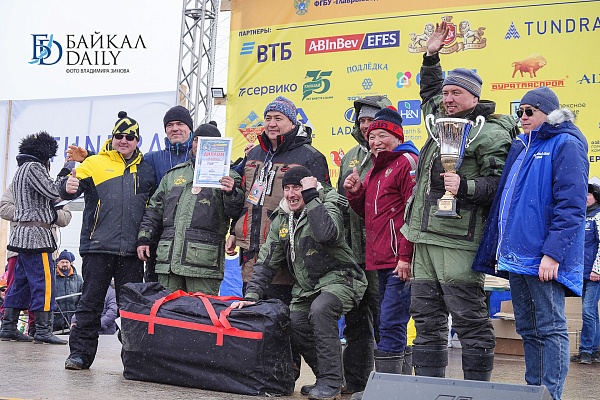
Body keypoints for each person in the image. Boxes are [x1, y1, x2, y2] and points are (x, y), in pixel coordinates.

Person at [400, 21, 517, 380]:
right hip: (424, 238)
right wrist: (431, 56)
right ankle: (428, 387)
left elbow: (500, 186)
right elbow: (429, 92)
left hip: (460, 242)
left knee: (469, 319)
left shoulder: (490, 133)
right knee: (426, 319)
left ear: (474, 98)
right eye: (447, 93)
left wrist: (465, 186)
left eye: (456, 93)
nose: (448, 99)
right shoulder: (440, 122)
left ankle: (477, 389)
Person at [472, 86, 588, 400]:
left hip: (542, 257)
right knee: (528, 328)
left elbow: (571, 206)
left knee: (550, 328)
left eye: (529, 111)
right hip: (516, 256)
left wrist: (552, 254)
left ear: (549, 114)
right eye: (519, 112)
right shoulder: (521, 145)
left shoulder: (566, 143)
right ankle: (534, 392)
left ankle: (550, 394)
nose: (522, 117)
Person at [231, 166, 366, 400]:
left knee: (321, 310)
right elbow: (266, 262)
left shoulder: (327, 202)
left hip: (342, 279)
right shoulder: (282, 217)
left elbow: (327, 234)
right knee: (294, 321)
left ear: (309, 187)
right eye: (287, 188)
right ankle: (329, 378)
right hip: (307, 288)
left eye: (297, 188)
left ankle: (331, 384)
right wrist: (251, 296)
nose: (291, 194)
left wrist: (312, 197)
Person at [59, 111, 156, 370]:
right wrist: (66, 186)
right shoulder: (94, 163)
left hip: (132, 252)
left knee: (132, 309)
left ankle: (134, 360)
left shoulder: (147, 170)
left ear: (137, 141)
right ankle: (80, 355)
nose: (123, 140)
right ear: (112, 138)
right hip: (97, 247)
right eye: (119, 136)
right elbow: (69, 187)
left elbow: (154, 208)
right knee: (90, 303)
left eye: (129, 137)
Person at [67, 105, 195, 282]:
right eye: (170, 125)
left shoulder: (201, 159)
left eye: (180, 124)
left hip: (193, 239)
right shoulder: (151, 159)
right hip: (159, 240)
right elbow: (120, 164)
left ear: (190, 128)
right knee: (156, 294)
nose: (175, 128)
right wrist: (91, 157)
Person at [228, 96, 332, 304]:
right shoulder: (254, 153)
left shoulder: (310, 156)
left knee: (282, 314)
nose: (272, 124)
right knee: (252, 311)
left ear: (292, 123)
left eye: (278, 118)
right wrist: (233, 231)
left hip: (287, 252)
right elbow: (247, 199)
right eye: (268, 118)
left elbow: (321, 203)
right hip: (251, 251)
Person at [345, 107, 418, 399]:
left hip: (400, 259)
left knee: (390, 321)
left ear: (398, 136)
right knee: (390, 321)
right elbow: (369, 214)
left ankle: (388, 391)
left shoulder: (406, 162)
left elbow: (414, 213)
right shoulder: (378, 167)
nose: (376, 141)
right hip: (383, 259)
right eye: (372, 136)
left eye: (382, 135)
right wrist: (355, 192)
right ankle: (396, 389)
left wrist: (406, 256)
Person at [137, 123, 244, 294]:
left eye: (206, 141)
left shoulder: (228, 176)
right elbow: (154, 210)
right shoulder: (173, 174)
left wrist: (231, 193)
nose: (199, 145)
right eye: (196, 140)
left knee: (201, 310)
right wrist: (144, 238)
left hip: (203, 265)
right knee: (167, 310)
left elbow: (237, 213)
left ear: (218, 146)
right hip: (169, 262)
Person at [336, 95, 391, 394]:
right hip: (353, 253)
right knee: (355, 321)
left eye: (372, 121)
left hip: (382, 253)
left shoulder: (397, 156)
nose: (366, 126)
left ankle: (391, 384)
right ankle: (356, 382)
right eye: (362, 121)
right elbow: (340, 200)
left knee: (386, 320)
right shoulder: (351, 156)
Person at [0, 131, 67, 345]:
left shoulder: (21, 169)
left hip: (22, 236)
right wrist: (66, 171)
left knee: (19, 284)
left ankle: (8, 326)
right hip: (37, 237)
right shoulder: (35, 168)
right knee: (44, 284)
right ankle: (42, 330)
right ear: (45, 154)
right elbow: (54, 191)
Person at [0, 179, 72, 332]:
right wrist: (33, 212)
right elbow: (4, 208)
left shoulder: (53, 187)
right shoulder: (16, 185)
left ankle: (36, 329)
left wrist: (45, 212)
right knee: (15, 287)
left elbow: (66, 217)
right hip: (19, 248)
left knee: (43, 290)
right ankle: (9, 327)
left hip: (46, 248)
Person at [571, 183, 600, 364]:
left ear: (595, 197)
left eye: (588, 194)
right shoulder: (583, 215)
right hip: (582, 272)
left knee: (588, 312)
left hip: (594, 274)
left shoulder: (598, 216)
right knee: (592, 313)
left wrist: (597, 269)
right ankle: (594, 351)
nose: (585, 197)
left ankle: (586, 351)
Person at [53, 250, 83, 333]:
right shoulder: (52, 277)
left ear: (70, 263)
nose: (65, 264)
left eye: (67, 262)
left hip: (72, 321)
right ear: (58, 263)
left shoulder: (78, 279)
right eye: (62, 262)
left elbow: (81, 299)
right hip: (55, 321)